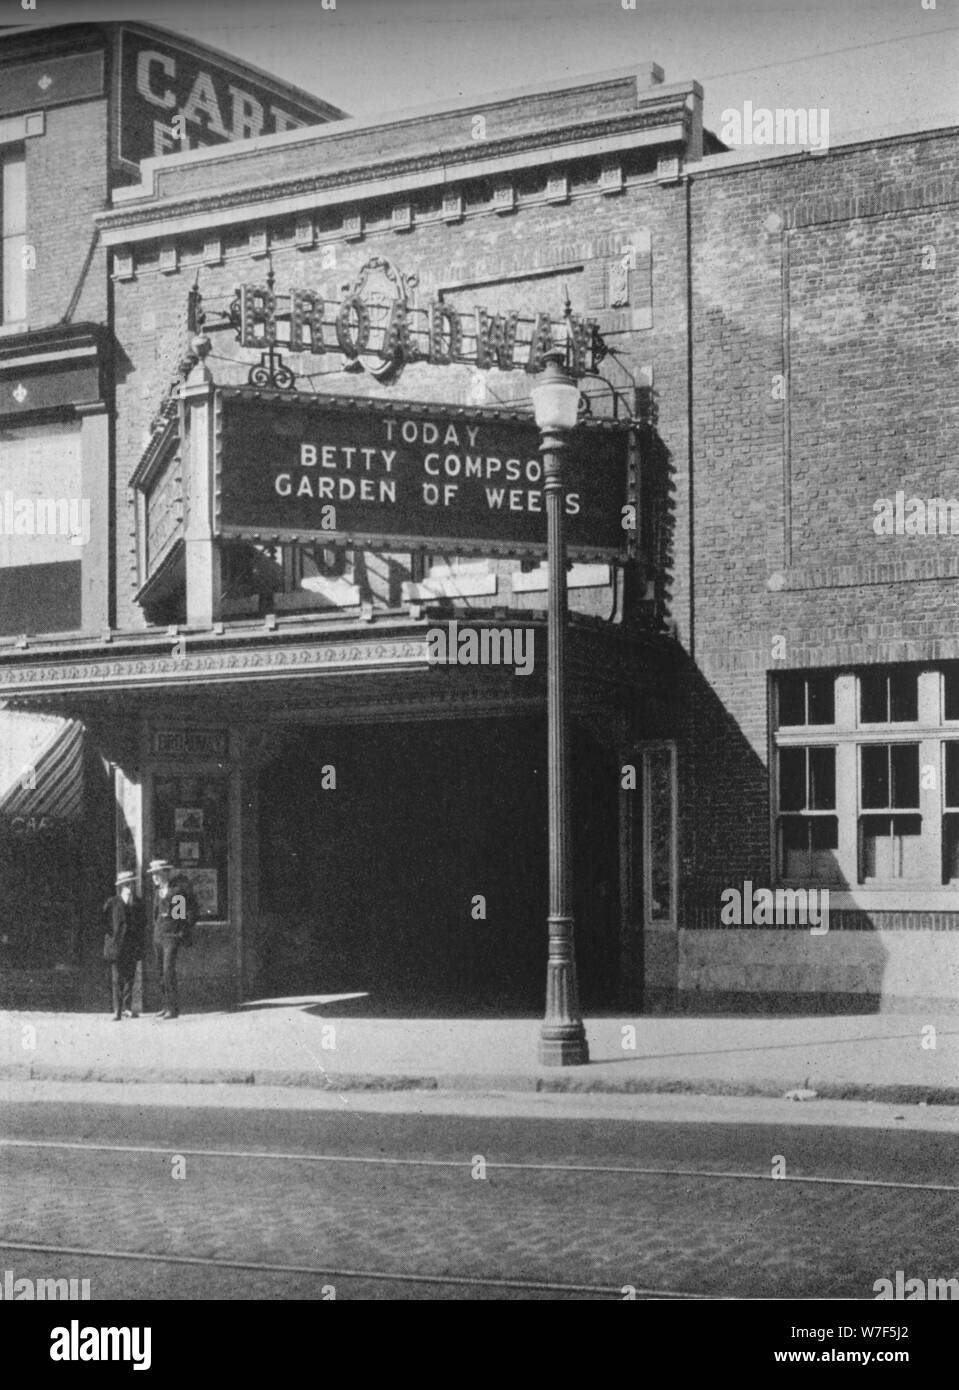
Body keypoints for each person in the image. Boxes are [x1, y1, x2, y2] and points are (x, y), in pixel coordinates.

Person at [149, 858, 199, 1020]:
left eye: (156, 874)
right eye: (153, 875)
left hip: (171, 936)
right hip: (159, 935)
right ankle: (165, 1005)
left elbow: (180, 916)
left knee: (168, 970)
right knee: (160, 972)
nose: (154, 877)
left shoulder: (176, 891)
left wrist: (180, 933)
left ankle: (173, 1008)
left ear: (165, 873)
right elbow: (156, 914)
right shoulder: (158, 892)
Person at [102, 870, 145, 1021]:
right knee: (117, 978)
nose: (129, 886)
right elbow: (103, 922)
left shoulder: (138, 903)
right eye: (126, 884)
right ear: (121, 886)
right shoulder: (112, 902)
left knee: (130, 978)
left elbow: (142, 924)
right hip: (118, 946)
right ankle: (118, 1010)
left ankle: (127, 1007)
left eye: (131, 883)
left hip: (132, 945)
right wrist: (111, 938)